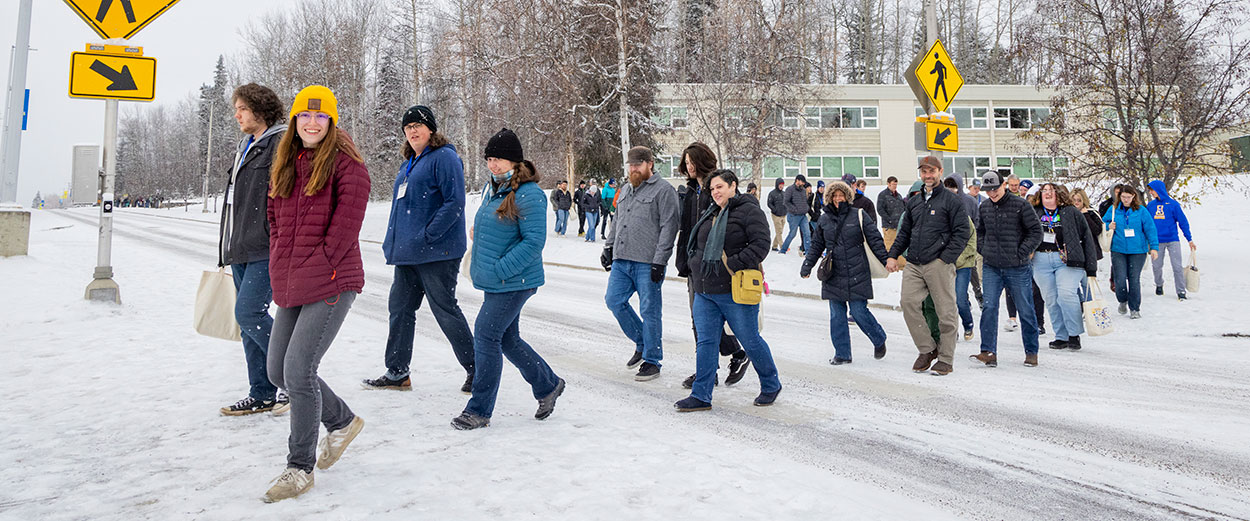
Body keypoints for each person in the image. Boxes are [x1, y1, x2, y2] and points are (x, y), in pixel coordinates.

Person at [262, 85, 369, 502]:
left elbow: (345, 231)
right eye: (305, 116)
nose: (311, 123)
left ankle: (299, 468)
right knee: (277, 372)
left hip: (332, 280)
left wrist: (319, 264)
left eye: (320, 117)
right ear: (294, 121)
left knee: (299, 369)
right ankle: (341, 421)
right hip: (293, 280)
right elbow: (274, 218)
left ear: (331, 121)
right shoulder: (286, 162)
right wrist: (280, 262)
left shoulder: (348, 167)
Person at [453, 128, 565, 430]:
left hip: (514, 280)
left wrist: (501, 269)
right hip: (498, 280)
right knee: (507, 338)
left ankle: (479, 409)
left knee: (486, 335)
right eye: (489, 159)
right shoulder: (495, 188)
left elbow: (533, 243)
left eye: (499, 159)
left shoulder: (528, 194)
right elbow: (500, 227)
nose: (493, 165)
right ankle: (548, 385)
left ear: (514, 161)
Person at [368, 104, 476, 394]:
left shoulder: (444, 157)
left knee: (444, 309)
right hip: (408, 253)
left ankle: (477, 368)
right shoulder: (408, 164)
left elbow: (454, 203)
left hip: (437, 252)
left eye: (418, 125)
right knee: (400, 308)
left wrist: (429, 235)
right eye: (408, 127)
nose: (413, 131)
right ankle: (397, 372)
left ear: (431, 129)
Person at [676, 169, 782, 412]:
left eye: (719, 187)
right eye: (712, 188)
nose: (715, 192)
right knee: (706, 342)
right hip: (705, 290)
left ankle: (770, 384)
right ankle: (701, 395)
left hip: (734, 289)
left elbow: (761, 244)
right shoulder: (711, 211)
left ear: (733, 186)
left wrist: (732, 263)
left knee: (750, 340)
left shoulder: (748, 210)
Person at [217, 83, 290, 417]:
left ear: (260, 109)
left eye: (242, 108)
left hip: (265, 245)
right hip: (240, 246)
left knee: (249, 313)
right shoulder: (244, 145)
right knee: (247, 325)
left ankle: (293, 378)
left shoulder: (279, 142)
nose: (237, 114)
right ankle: (261, 392)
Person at [885, 156, 971, 376]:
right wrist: (893, 255)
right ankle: (927, 349)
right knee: (908, 303)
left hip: (938, 263)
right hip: (914, 262)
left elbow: (963, 232)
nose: (928, 175)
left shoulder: (951, 201)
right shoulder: (914, 202)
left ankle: (945, 358)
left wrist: (946, 258)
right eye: (924, 172)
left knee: (945, 311)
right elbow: (904, 232)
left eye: (931, 171)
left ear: (940, 172)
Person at [673, 143, 750, 389]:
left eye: (692, 162)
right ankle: (729, 358)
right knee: (700, 319)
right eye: (686, 163)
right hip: (693, 262)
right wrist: (682, 259)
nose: (689, 167)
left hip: (715, 263)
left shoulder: (716, 188)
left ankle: (711, 369)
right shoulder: (691, 190)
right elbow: (686, 229)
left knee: (706, 319)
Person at [601, 146, 681, 381]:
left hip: (648, 262)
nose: (633, 169)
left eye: (638, 164)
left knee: (650, 310)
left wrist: (660, 261)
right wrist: (608, 246)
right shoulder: (626, 189)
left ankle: (652, 360)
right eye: (631, 165)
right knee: (613, 301)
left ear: (650, 164)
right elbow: (618, 219)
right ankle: (641, 341)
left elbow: (669, 226)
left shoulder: (664, 190)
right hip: (622, 259)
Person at [800, 181, 889, 363]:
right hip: (833, 273)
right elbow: (817, 245)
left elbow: (875, 239)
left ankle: (879, 338)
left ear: (848, 197)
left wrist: (886, 260)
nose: (838, 198)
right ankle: (842, 353)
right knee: (836, 315)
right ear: (829, 198)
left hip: (857, 271)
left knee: (858, 312)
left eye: (841, 195)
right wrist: (807, 265)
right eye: (834, 195)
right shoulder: (824, 219)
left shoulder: (858, 215)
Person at [970, 171, 1043, 368]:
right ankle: (988, 351)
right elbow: (979, 231)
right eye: (988, 190)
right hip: (992, 266)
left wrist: (1022, 251)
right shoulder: (984, 206)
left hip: (1018, 267)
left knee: (1025, 309)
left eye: (995, 189)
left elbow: (1036, 232)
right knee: (990, 308)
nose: (992, 194)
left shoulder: (1020, 205)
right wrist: (984, 249)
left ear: (1003, 185)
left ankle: (1031, 351)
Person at [1031, 183, 1099, 351]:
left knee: (1066, 295)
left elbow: (1087, 237)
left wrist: (1091, 267)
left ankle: (1074, 334)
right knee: (1052, 299)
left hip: (1067, 260)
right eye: (1044, 191)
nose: (1047, 193)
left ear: (1058, 194)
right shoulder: (1034, 212)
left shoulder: (1071, 212)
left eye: (1051, 190)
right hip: (1041, 259)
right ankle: (1061, 336)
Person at [1102, 184, 1159, 319]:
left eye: (1128, 197)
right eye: (1123, 197)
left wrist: (1154, 248)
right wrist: (1108, 225)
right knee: (1120, 279)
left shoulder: (1141, 211)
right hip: (1118, 249)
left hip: (1137, 250)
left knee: (1134, 279)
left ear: (1134, 196)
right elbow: (1101, 223)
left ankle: (1135, 308)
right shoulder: (1114, 209)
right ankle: (1122, 300)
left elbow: (1150, 229)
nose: (1126, 200)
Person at [943, 176, 980, 341]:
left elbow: (972, 238)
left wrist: (966, 256)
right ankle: (952, 329)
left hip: (963, 263)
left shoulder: (965, 215)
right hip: (945, 263)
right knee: (947, 300)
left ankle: (968, 323)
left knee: (960, 297)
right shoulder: (940, 216)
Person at [1146, 180, 1196, 300]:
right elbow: (1146, 223)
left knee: (1177, 266)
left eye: (1152, 190)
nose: (1151, 192)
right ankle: (1159, 284)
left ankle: (1181, 291)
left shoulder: (1173, 204)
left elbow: (1183, 222)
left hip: (1172, 239)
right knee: (1156, 266)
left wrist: (1189, 239)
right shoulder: (1151, 206)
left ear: (1158, 190)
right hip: (1157, 241)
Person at [779, 175, 810, 254]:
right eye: (802, 182)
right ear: (797, 180)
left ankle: (808, 252)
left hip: (803, 215)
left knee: (807, 233)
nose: (803, 184)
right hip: (794, 216)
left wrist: (806, 208)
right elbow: (786, 202)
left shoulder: (803, 190)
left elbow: (805, 201)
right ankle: (783, 250)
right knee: (792, 234)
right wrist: (794, 210)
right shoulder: (790, 189)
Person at [877, 176, 906, 251]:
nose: (895, 186)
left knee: (900, 246)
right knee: (889, 246)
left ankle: (900, 263)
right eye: (893, 184)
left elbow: (903, 208)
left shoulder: (899, 196)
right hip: (889, 226)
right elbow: (880, 209)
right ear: (888, 184)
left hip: (899, 226)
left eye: (896, 184)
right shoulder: (883, 195)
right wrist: (889, 220)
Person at [767, 178, 787, 251]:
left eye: (783, 185)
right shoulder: (772, 193)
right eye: (780, 185)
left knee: (780, 231)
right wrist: (774, 209)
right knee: (778, 231)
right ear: (777, 185)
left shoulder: (784, 193)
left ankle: (774, 246)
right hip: (776, 215)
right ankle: (783, 247)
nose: (782, 186)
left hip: (784, 214)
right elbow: (769, 203)